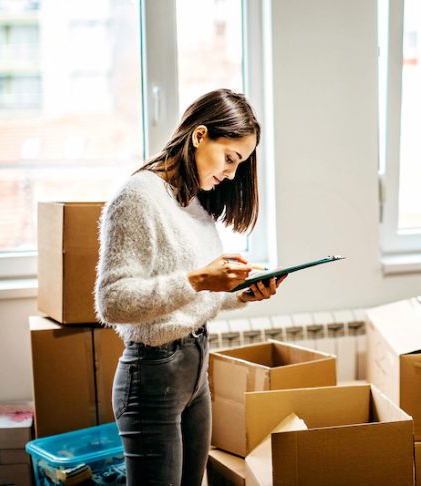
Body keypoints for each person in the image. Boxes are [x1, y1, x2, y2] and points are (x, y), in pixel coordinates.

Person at [95, 88, 283, 486]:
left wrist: (240, 293)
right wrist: (199, 279)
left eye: (241, 163)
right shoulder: (137, 197)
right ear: (199, 136)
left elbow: (192, 297)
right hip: (152, 376)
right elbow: (112, 302)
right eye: (230, 158)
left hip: (195, 368)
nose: (232, 173)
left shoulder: (193, 202)